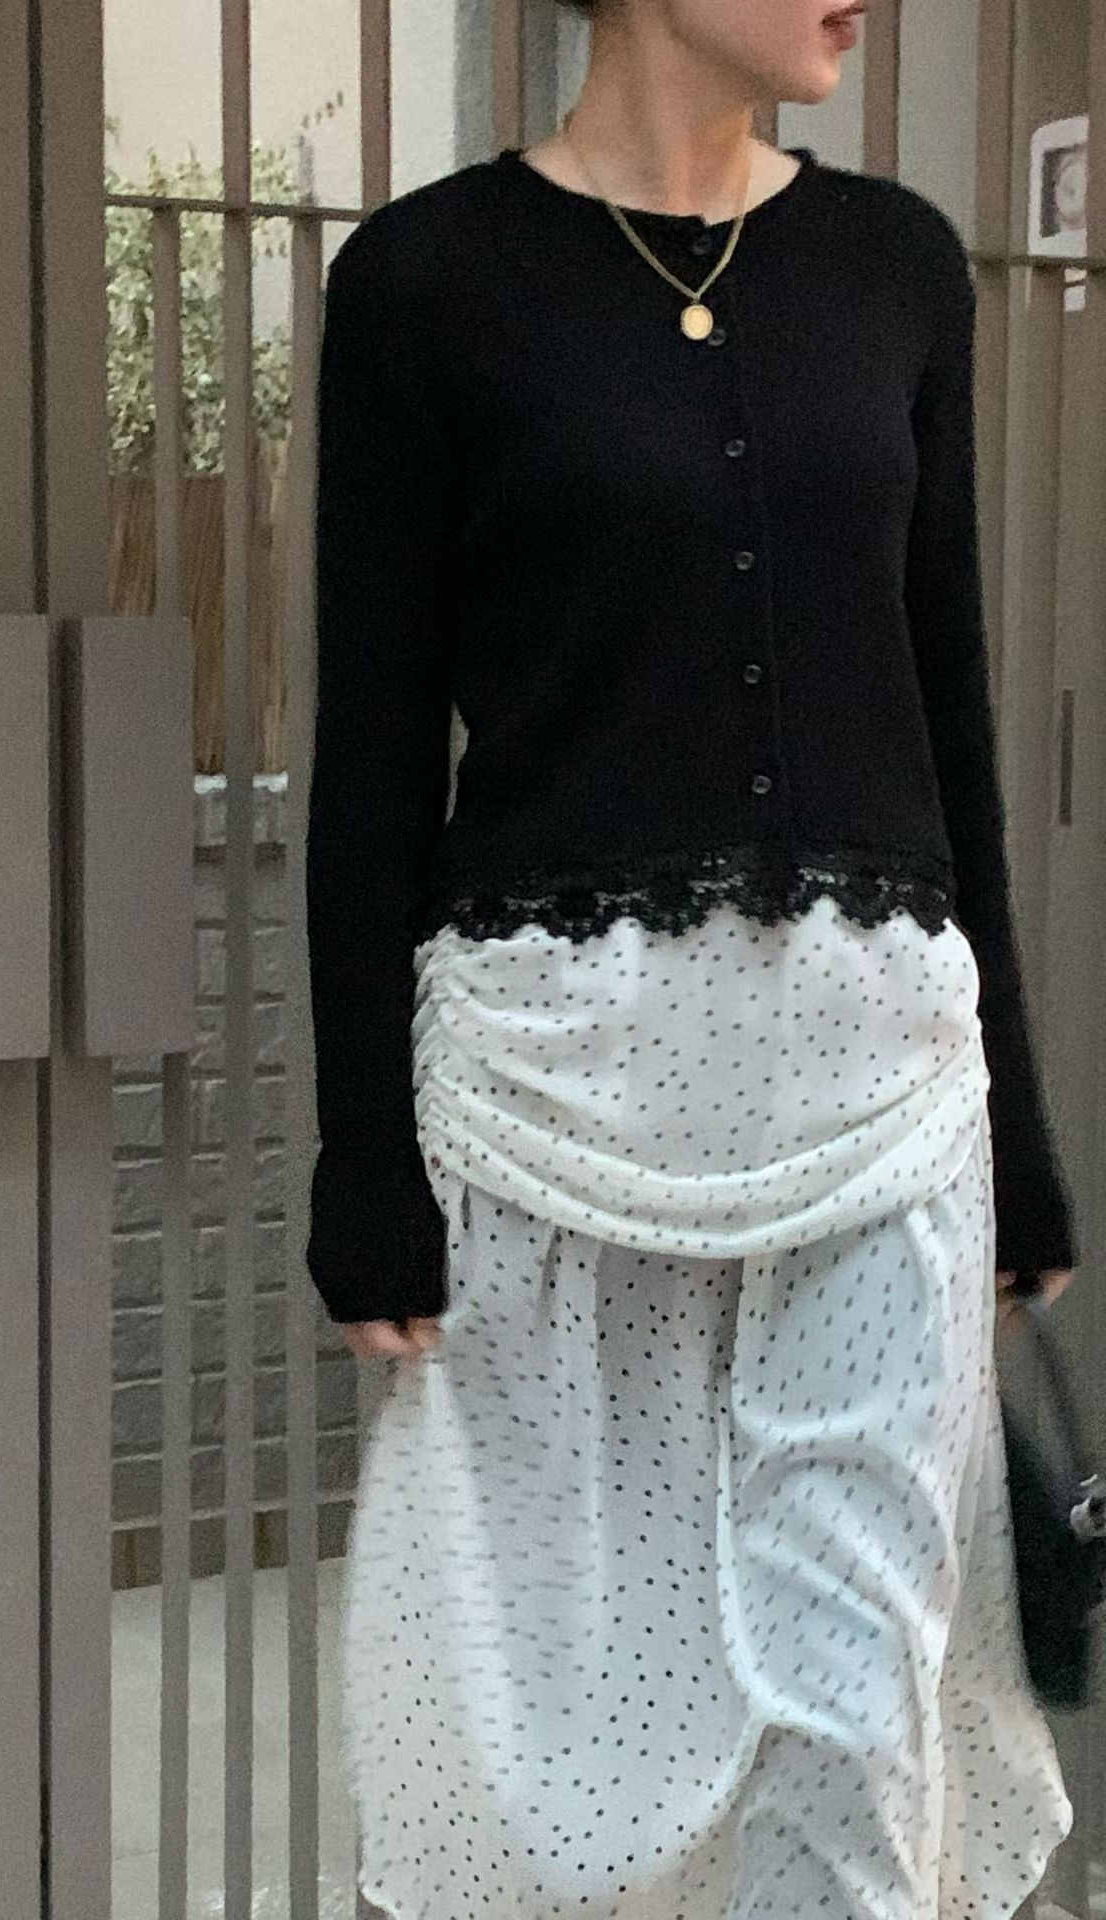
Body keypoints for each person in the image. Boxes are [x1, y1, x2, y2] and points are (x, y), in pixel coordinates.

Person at [303, 1, 1081, 1914]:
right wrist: (364, 1159)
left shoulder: (896, 268)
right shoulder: (424, 287)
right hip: (553, 1104)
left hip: (884, 1097)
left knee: (858, 1708)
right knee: (572, 1734)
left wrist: (1022, 1134)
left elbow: (944, 712)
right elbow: (375, 753)